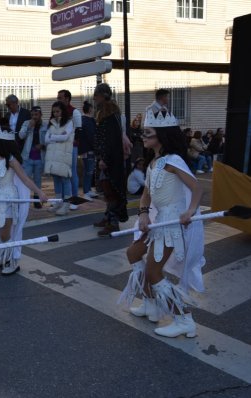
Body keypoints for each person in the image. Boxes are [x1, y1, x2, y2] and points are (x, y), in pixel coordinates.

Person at [119, 109, 204, 338]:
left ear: (161, 136)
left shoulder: (173, 161)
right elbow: (147, 193)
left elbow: (197, 187)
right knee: (133, 253)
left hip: (170, 223)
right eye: (143, 133)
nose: (143, 137)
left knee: (154, 271)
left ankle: (183, 319)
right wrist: (144, 213)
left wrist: (190, 210)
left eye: (147, 133)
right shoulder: (154, 162)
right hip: (157, 220)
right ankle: (151, 304)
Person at [0, 123, 48, 275]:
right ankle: (3, 250)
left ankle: (12, 260)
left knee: (5, 234)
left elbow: (25, 179)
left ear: (2, 143)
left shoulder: (10, 160)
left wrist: (39, 193)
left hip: (9, 199)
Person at [93, 83, 128, 236]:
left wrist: (104, 159)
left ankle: (113, 222)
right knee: (107, 189)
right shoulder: (105, 112)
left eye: (97, 95)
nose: (95, 98)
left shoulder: (109, 113)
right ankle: (108, 217)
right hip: (108, 158)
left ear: (103, 95)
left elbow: (110, 140)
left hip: (111, 160)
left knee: (111, 189)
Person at [44, 101, 74, 216]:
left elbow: (65, 137)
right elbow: (46, 139)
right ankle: (58, 202)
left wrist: (53, 137)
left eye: (58, 111)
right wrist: (57, 137)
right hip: (53, 156)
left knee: (65, 179)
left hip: (63, 156)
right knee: (56, 179)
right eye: (54, 111)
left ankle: (66, 204)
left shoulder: (69, 123)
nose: (55, 113)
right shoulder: (51, 123)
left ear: (62, 111)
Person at [18, 106, 48, 208]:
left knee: (37, 180)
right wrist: (28, 127)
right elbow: (21, 136)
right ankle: (24, 199)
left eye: (36, 115)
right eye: (32, 115)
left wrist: (43, 146)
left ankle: (36, 200)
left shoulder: (45, 125)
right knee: (25, 179)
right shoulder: (27, 123)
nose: (34, 117)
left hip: (39, 157)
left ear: (40, 115)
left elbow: (49, 140)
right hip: (27, 157)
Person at [57, 89, 82, 207]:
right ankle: (64, 199)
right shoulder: (58, 111)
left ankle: (74, 200)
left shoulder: (75, 112)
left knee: (72, 172)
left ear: (67, 99)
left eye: (60, 97)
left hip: (71, 147)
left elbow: (79, 131)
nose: (58, 99)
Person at [79, 100, 98, 199]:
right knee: (88, 170)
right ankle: (86, 191)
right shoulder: (88, 121)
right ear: (90, 109)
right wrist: (96, 147)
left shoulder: (84, 120)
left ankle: (89, 190)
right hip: (88, 149)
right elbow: (92, 136)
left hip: (85, 148)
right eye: (93, 108)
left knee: (89, 170)